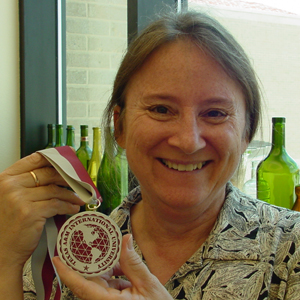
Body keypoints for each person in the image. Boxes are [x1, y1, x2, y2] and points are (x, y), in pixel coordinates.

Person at [1, 9, 300, 300]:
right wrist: (5, 262)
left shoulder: (291, 249)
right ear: (120, 126)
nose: (187, 141)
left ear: (247, 132)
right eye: (160, 109)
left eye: (215, 113)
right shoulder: (66, 249)